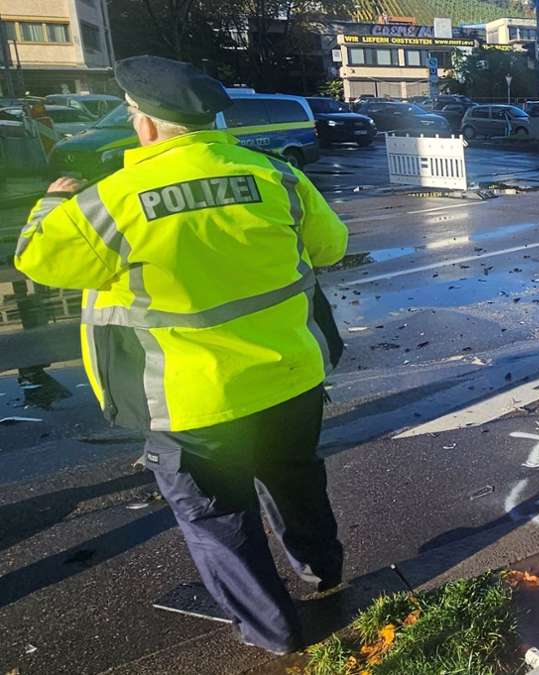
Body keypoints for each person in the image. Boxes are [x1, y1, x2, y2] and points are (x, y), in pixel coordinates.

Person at [13, 55, 348, 655]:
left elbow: (39, 258)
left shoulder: (111, 202)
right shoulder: (277, 178)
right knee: (297, 483)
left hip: (190, 404)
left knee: (219, 521)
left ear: (142, 123)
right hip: (290, 378)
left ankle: (274, 633)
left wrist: (51, 200)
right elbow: (330, 247)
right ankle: (323, 575)